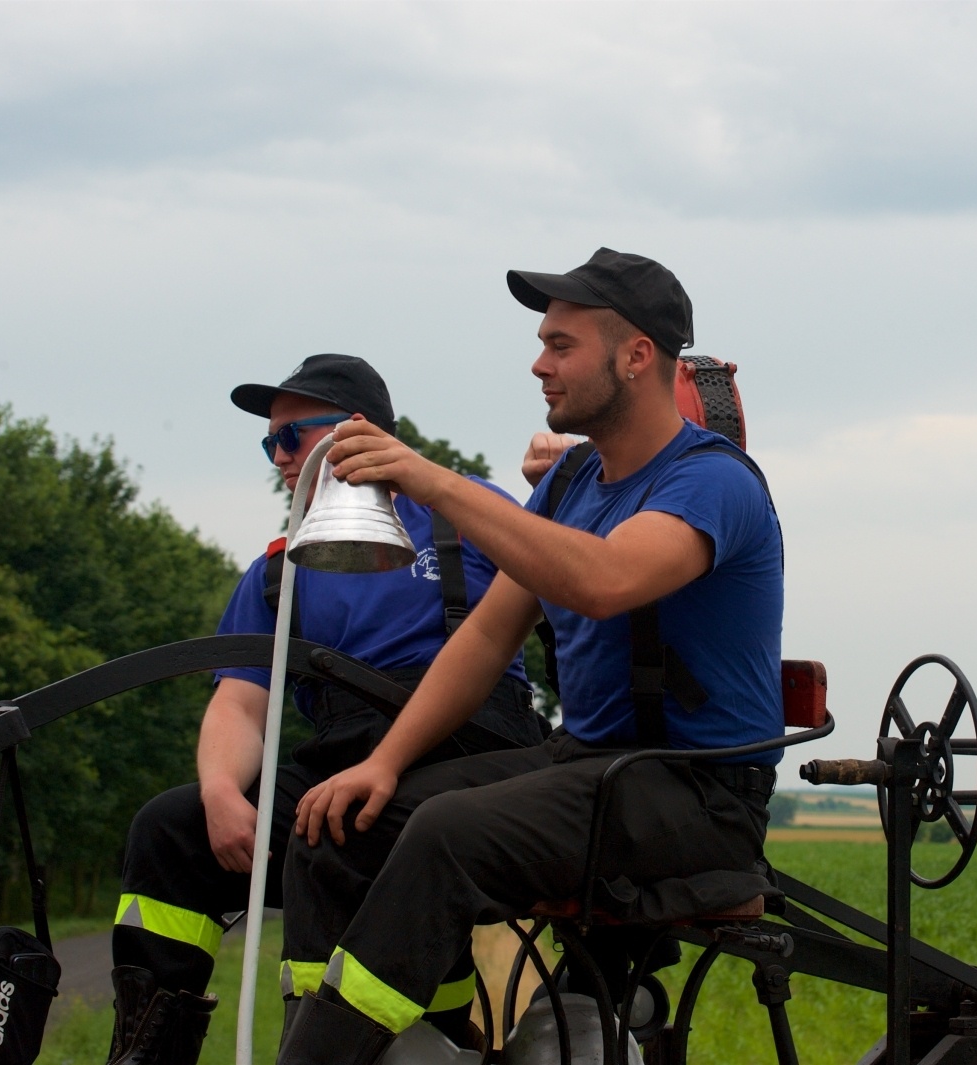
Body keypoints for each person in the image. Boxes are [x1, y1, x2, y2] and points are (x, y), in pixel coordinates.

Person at [275, 248, 784, 1064]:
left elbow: (605, 579)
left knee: (446, 831)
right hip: (590, 766)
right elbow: (485, 634)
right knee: (340, 826)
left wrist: (432, 481)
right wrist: (383, 762)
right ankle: (412, 1048)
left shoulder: (712, 481)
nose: (538, 364)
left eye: (561, 345)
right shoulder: (573, 481)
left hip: (697, 794)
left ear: (635, 355)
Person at [106, 354, 543, 1065]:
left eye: (292, 436)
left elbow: (572, 590)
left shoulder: (465, 512)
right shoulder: (279, 570)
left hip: (474, 749)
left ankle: (371, 1045)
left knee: (330, 828)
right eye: (268, 443)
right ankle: (148, 1049)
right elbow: (241, 705)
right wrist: (221, 789)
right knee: (170, 829)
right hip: (339, 752)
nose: (279, 457)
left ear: (358, 431)